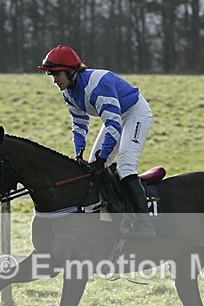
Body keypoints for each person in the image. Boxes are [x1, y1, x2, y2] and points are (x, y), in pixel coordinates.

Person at [39, 44, 155, 239]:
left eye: (57, 75)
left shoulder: (96, 86)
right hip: (116, 118)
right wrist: (79, 153)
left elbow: (114, 126)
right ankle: (114, 214)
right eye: (51, 76)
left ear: (71, 71)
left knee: (125, 167)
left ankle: (146, 224)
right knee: (93, 163)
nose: (54, 81)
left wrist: (103, 159)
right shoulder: (68, 92)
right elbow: (79, 123)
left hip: (135, 114)